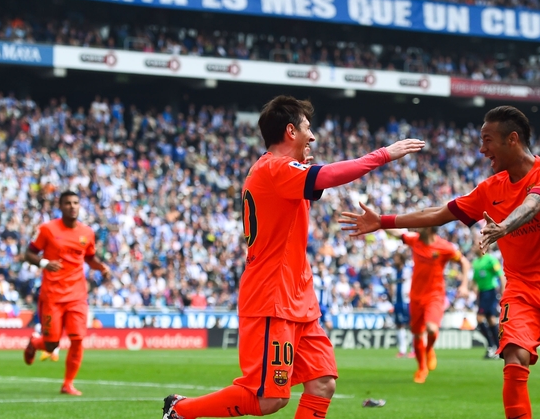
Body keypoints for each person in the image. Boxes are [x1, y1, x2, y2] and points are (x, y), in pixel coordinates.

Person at [162, 95, 424, 419]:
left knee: (322, 383)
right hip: (273, 296)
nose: (312, 136)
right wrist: (384, 154)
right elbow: (326, 176)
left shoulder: (281, 170)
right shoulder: (275, 168)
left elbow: (314, 179)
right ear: (290, 131)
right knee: (268, 400)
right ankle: (181, 410)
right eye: (307, 128)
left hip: (298, 296)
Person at [340, 106, 540, 419]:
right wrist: (384, 221)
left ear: (512, 139)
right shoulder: (490, 189)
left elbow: (535, 201)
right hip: (521, 290)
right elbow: (438, 213)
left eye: (487, 140)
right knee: (514, 356)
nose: (481, 149)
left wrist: (504, 226)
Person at [22, 190, 111, 396]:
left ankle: (68, 384)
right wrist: (44, 262)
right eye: (67, 203)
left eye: (75, 202)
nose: (72, 206)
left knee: (78, 339)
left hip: (77, 295)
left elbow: (89, 257)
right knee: (52, 343)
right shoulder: (47, 229)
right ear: (60, 207)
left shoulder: (87, 232)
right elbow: (29, 253)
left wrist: (101, 267)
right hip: (52, 295)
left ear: (80, 206)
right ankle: (35, 343)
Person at [387, 227, 470, 383]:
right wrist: (379, 222)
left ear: (430, 228)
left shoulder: (444, 247)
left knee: (431, 328)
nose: (418, 226)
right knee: (417, 334)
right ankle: (421, 368)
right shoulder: (415, 240)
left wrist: (464, 285)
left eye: (423, 224)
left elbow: (464, 262)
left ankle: (429, 349)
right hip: (416, 296)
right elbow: (398, 233)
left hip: (435, 295)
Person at [470, 237, 506, 359]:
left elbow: (500, 276)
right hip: (482, 293)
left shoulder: (490, 260)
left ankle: (491, 346)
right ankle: (497, 347)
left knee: (479, 319)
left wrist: (502, 292)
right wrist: (470, 288)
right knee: (490, 320)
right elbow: (474, 280)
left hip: (490, 292)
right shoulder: (475, 262)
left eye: (475, 245)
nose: (473, 247)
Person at [388, 252, 414, 359]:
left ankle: (413, 349)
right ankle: (402, 350)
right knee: (399, 325)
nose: (394, 260)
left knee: (411, 325)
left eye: (396, 258)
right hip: (397, 301)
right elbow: (391, 285)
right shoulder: (393, 272)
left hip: (406, 301)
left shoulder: (408, 270)